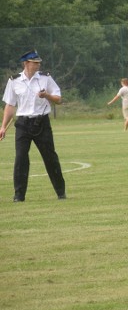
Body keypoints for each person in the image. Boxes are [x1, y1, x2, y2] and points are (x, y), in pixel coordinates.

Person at [1, 50, 67, 202]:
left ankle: (60, 192)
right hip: (23, 124)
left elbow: (59, 99)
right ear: (26, 63)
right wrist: (3, 126)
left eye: (38, 63)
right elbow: (10, 105)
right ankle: (19, 196)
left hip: (41, 122)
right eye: (35, 63)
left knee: (50, 157)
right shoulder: (14, 81)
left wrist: (47, 96)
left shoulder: (46, 78)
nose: (38, 65)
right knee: (20, 159)